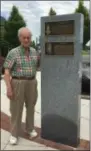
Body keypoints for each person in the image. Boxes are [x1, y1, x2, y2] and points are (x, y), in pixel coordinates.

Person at [3, 27, 40, 145]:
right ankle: (14, 134)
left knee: (31, 107)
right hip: (18, 83)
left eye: (28, 37)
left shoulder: (35, 52)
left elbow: (37, 66)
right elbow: (6, 72)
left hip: (32, 82)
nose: (26, 39)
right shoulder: (13, 52)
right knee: (16, 109)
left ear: (31, 38)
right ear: (20, 38)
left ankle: (30, 129)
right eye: (24, 37)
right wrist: (9, 88)